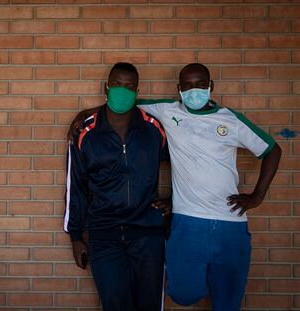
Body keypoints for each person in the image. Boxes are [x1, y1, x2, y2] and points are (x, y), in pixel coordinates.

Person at [68, 63, 281, 311]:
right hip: (146, 226)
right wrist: (85, 114)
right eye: (188, 86)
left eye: (201, 84)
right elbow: (121, 107)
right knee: (162, 296)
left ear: (211, 87)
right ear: (179, 89)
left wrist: (257, 196)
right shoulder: (166, 112)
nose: (194, 91)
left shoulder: (223, 120)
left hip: (198, 224)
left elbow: (271, 150)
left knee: (226, 301)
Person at [64, 62, 171, 311]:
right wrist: (76, 236)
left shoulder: (153, 129)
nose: (123, 90)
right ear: (106, 87)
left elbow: (184, 165)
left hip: (148, 234)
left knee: (150, 305)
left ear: (137, 90)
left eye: (129, 86)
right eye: (117, 85)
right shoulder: (85, 131)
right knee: (115, 304)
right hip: (104, 234)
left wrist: (174, 201)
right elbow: (75, 186)